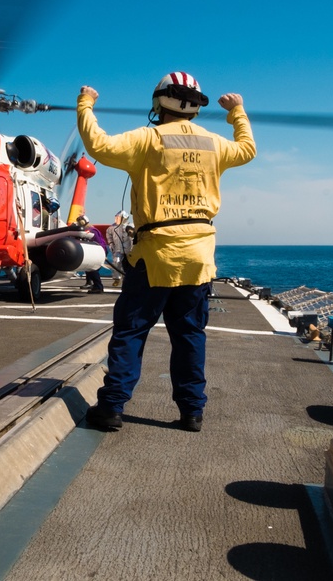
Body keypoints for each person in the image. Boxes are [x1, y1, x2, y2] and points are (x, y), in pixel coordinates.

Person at [77, 71, 256, 432]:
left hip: (155, 253)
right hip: (199, 257)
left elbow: (98, 145)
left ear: (158, 103)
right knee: (189, 335)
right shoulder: (214, 145)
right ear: (195, 107)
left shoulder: (149, 138)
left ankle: (111, 408)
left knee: (131, 332)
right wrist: (237, 112)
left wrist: (86, 104)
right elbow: (247, 150)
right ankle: (192, 412)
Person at [75, 215, 107, 294]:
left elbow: (94, 241)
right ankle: (94, 285)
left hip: (99, 251)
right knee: (90, 269)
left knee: (93, 269)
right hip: (95, 250)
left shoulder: (91, 231)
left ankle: (98, 287)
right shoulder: (89, 230)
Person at [105, 210, 132, 286]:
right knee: (116, 263)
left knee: (128, 265)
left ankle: (126, 279)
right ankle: (117, 279)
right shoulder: (112, 227)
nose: (116, 219)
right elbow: (109, 235)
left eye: (118, 218)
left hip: (128, 250)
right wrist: (110, 243)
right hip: (117, 249)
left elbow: (133, 238)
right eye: (116, 217)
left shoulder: (130, 226)